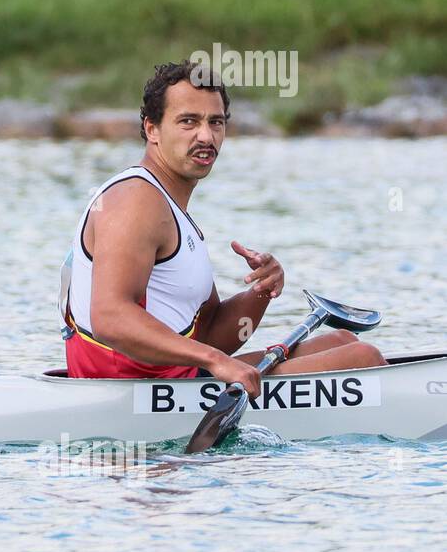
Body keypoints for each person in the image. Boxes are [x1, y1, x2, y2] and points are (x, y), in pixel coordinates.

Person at [59, 60, 385, 396]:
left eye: (216, 122)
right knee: (364, 357)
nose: (206, 136)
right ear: (152, 129)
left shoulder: (172, 212)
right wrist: (215, 361)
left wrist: (260, 293)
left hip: (170, 379)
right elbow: (110, 317)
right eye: (188, 121)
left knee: (344, 341)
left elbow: (212, 337)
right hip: (126, 390)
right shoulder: (135, 200)